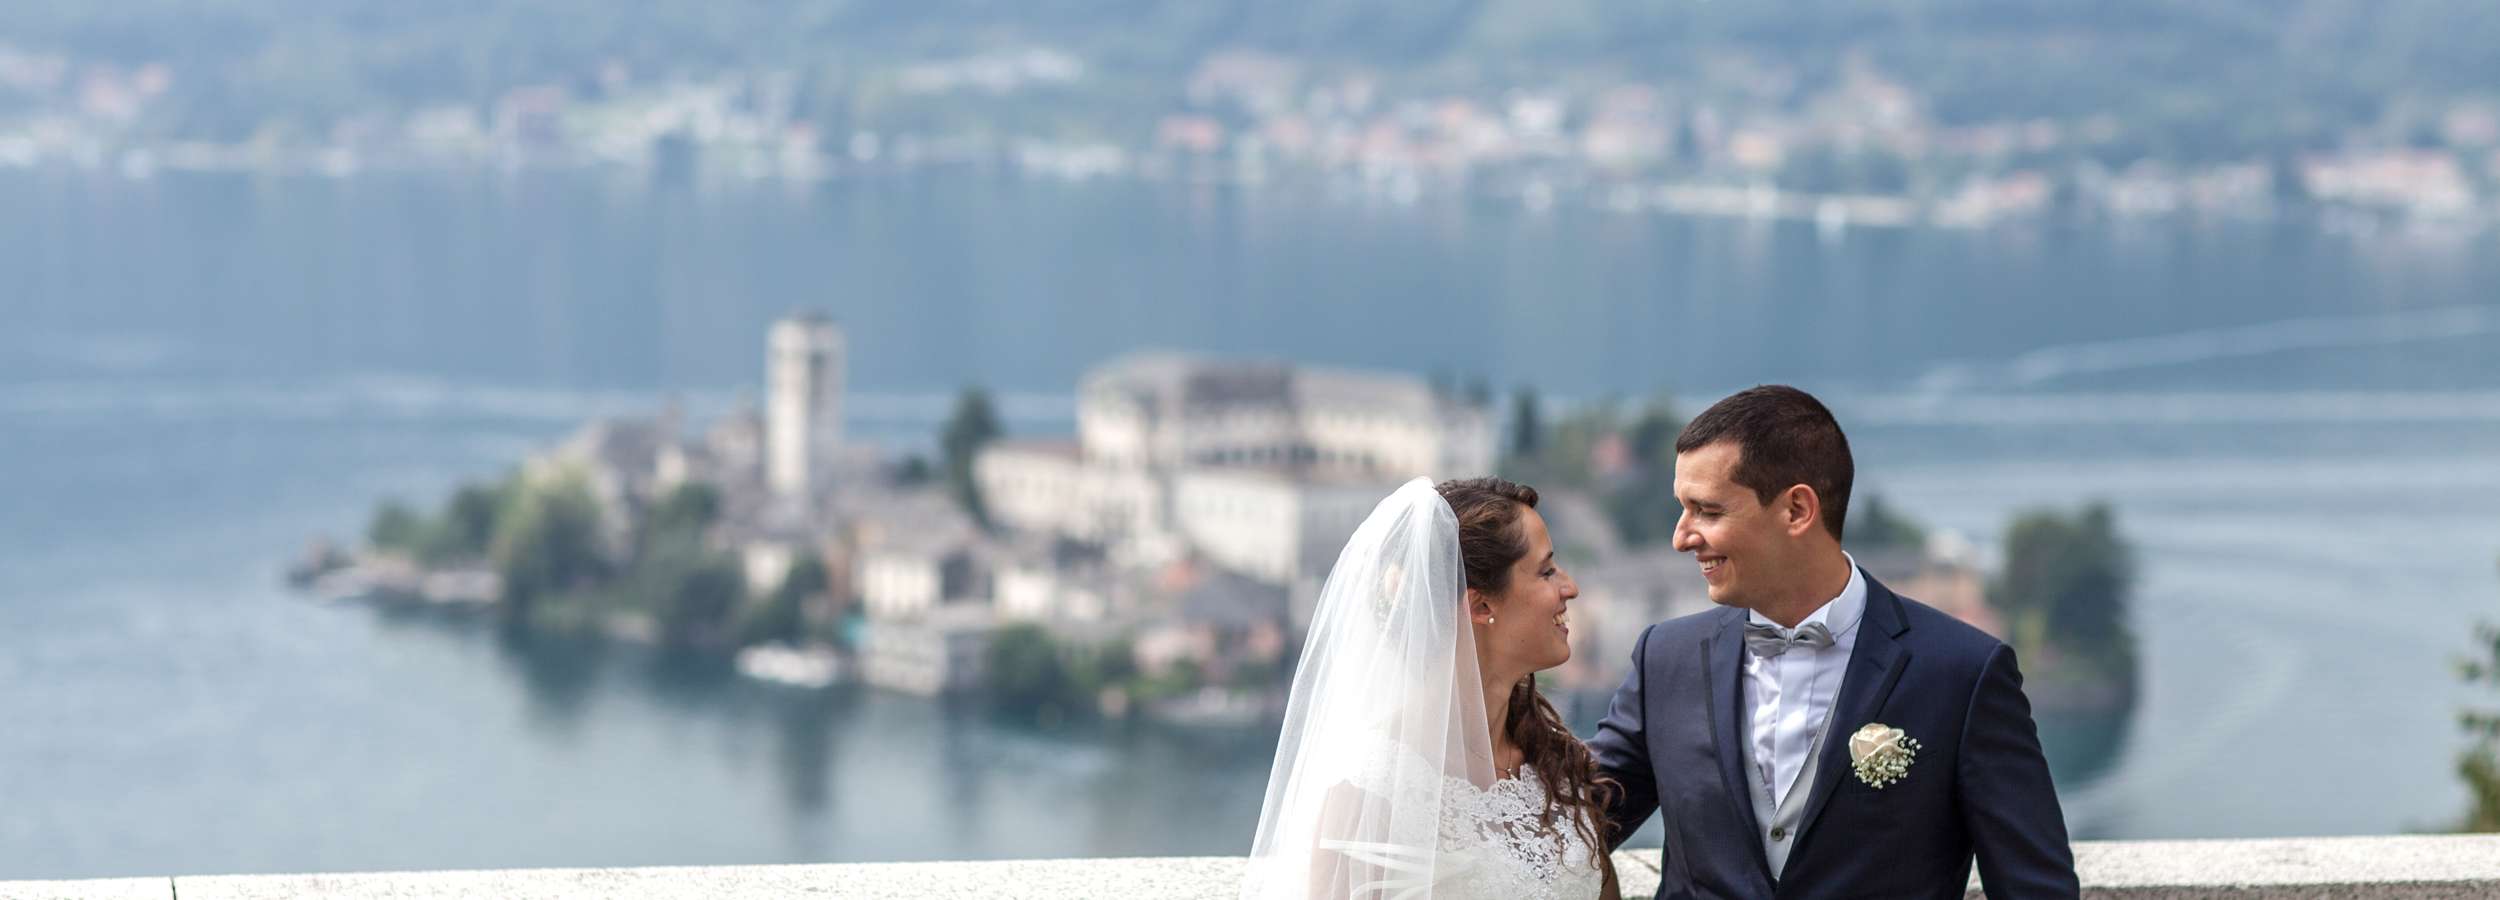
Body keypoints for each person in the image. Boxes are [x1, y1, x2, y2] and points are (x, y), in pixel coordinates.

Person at [1589, 385, 2080, 899]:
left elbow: (2036, 889)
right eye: (1682, 509)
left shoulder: (1964, 673)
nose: (1681, 536)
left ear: (1797, 510)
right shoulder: (1665, 659)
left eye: (1707, 511)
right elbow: (1566, 830)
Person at [1241, 477, 1618, 900]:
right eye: (1547, 571)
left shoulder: (1555, 765)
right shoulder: (1368, 793)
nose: (1570, 587)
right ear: (1480, 606)